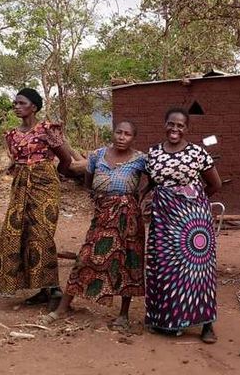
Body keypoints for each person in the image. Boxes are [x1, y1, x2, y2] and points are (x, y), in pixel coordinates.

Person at [53, 121, 147, 325]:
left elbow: (154, 179)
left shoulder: (140, 159)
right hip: (103, 215)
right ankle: (64, 307)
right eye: (119, 132)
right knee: (86, 256)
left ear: (133, 138)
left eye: (127, 134)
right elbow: (88, 180)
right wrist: (95, 197)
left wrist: (141, 194)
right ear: (112, 133)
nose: (122, 137)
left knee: (128, 260)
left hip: (128, 216)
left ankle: (123, 314)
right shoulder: (97, 155)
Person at [144, 107, 222, 342]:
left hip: (193, 220)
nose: (175, 129)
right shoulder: (153, 153)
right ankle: (170, 320)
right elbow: (150, 183)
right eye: (171, 124)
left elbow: (215, 184)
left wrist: (193, 200)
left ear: (187, 128)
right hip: (164, 219)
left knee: (199, 270)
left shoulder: (197, 153)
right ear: (164, 124)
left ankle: (207, 324)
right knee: (166, 268)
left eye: (180, 125)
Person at [0, 88, 73, 306]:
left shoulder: (48, 129)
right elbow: (15, 161)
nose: (17, 107)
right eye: (15, 103)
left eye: (21, 103)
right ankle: (40, 288)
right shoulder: (11, 135)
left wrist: (53, 176)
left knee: (41, 234)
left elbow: (66, 159)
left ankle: (54, 289)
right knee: (15, 234)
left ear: (34, 107)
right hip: (20, 186)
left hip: (45, 186)